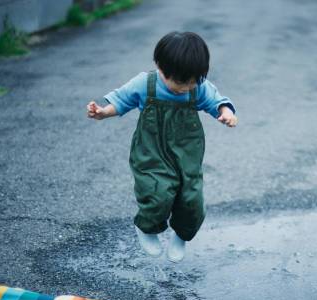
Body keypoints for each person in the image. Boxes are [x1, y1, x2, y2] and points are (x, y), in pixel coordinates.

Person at [86, 31, 237, 262]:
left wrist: (226, 113)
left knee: (192, 200)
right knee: (157, 193)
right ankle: (147, 227)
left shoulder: (198, 87)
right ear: (160, 67)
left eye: (192, 81)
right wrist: (103, 112)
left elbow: (218, 101)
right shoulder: (145, 84)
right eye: (178, 82)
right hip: (151, 152)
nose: (185, 88)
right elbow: (121, 101)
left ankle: (181, 235)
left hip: (186, 154)